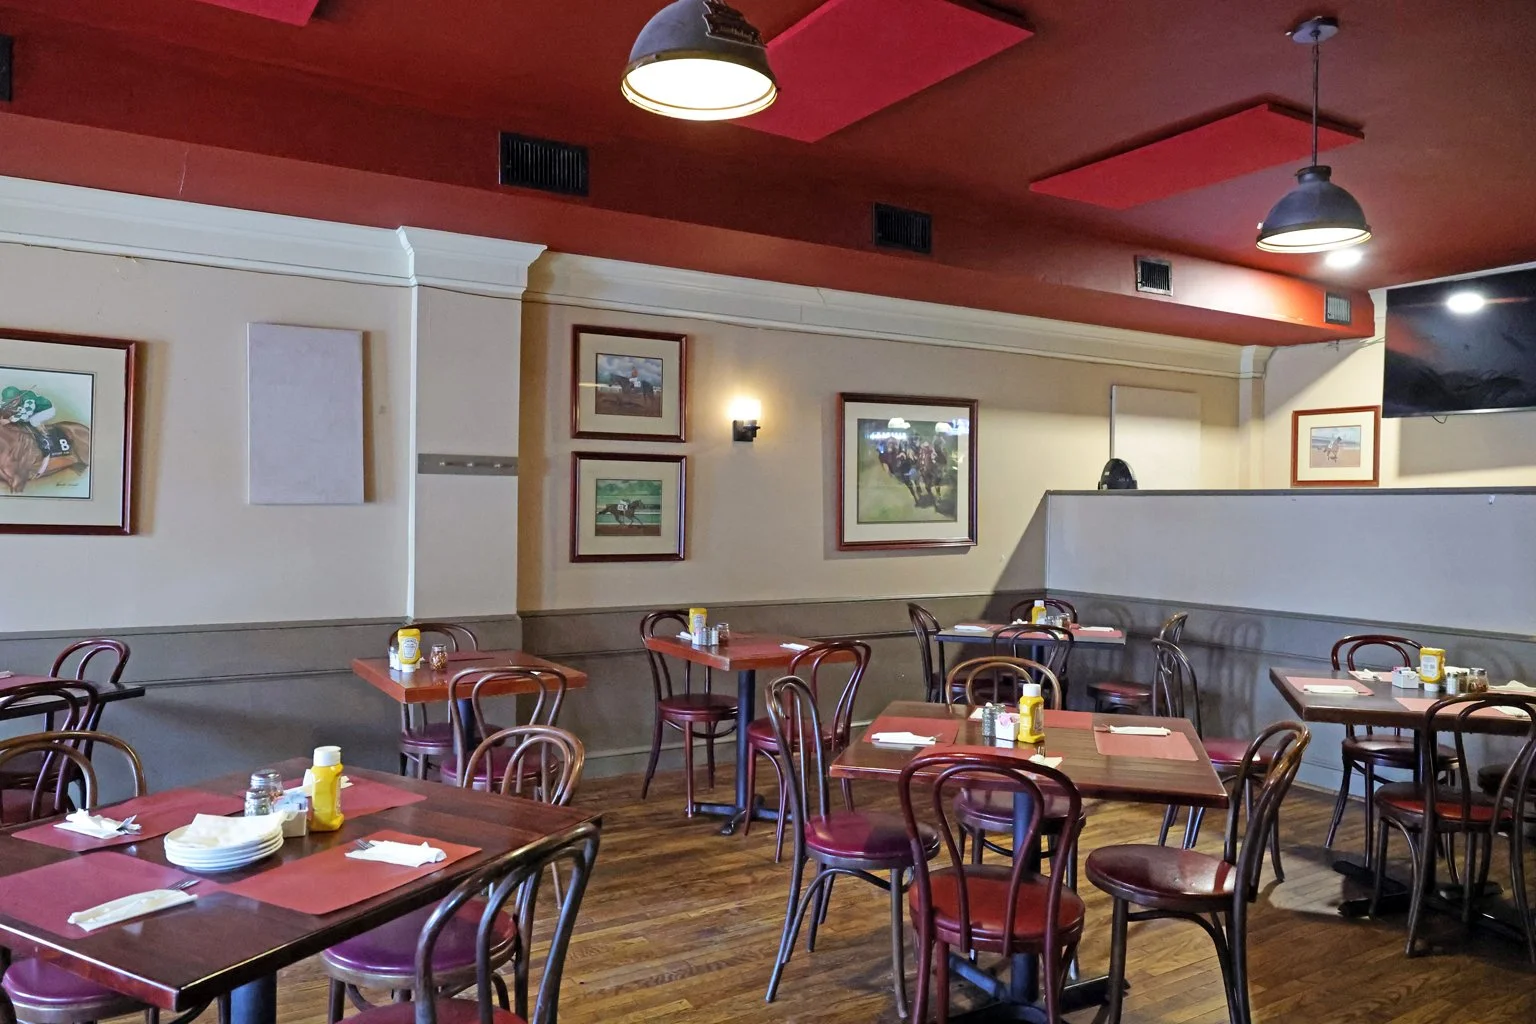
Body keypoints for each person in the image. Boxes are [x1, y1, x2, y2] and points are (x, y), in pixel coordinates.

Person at [1, 385, 62, 474]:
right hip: (31, 411)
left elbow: (25, 414)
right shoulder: (10, 400)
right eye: (8, 402)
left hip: (46, 410)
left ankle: (45, 437)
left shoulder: (28, 398)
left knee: (33, 420)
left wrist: (8, 420)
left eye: (12, 401)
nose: (10, 404)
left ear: (18, 397)